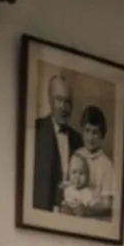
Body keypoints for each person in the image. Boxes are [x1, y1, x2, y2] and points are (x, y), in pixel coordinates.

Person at [33, 72, 82, 212]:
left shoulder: (78, 141)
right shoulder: (35, 131)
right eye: (59, 99)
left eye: (67, 101)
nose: (63, 107)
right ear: (49, 99)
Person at [78, 104, 116, 217]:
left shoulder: (106, 165)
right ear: (82, 131)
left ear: (102, 135)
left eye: (95, 132)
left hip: (94, 218)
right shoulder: (76, 155)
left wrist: (87, 210)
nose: (90, 137)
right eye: (87, 131)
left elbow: (107, 204)